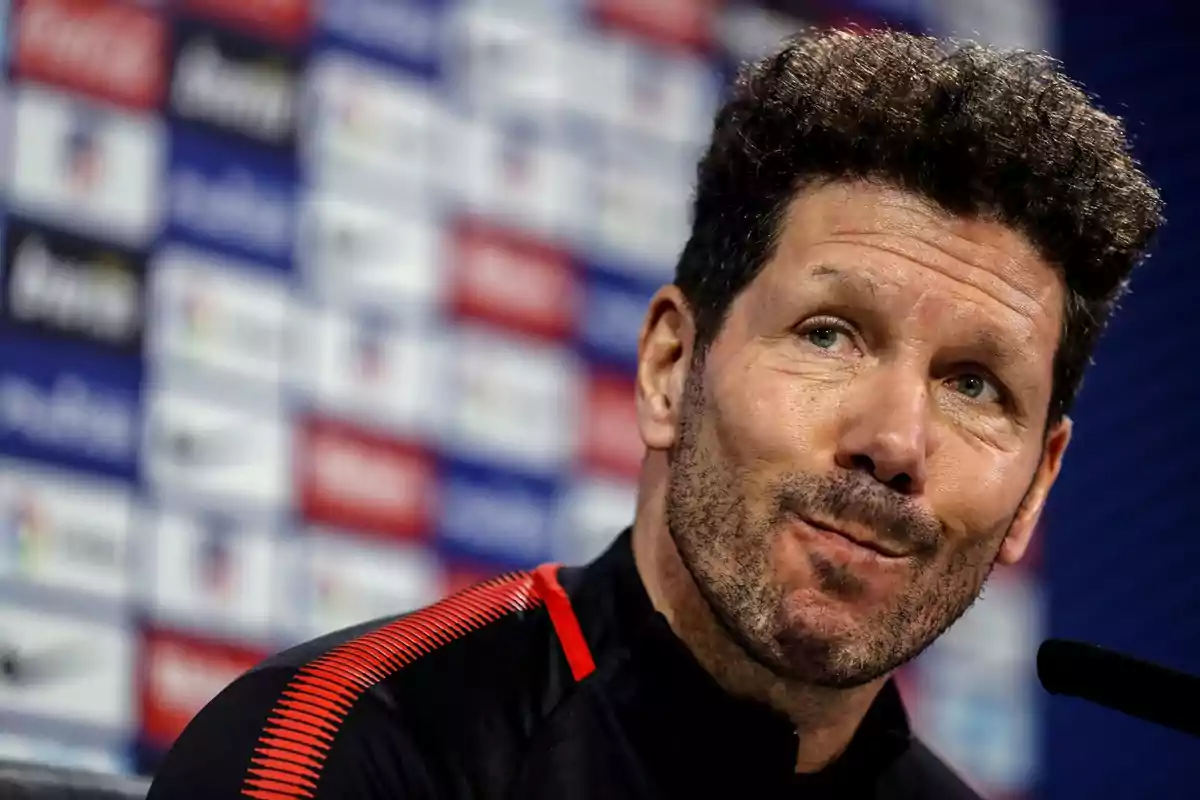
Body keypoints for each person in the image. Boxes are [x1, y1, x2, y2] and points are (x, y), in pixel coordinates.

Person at [147, 28, 1162, 799]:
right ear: (672, 367)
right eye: (829, 333)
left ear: (1036, 485)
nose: (895, 441)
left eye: (976, 384)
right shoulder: (347, 751)